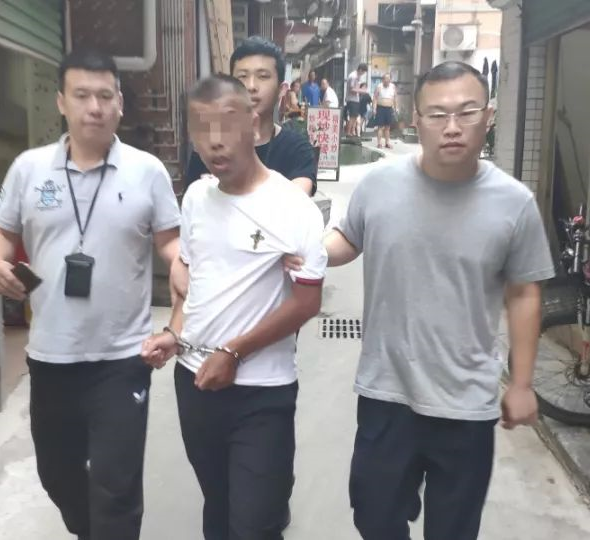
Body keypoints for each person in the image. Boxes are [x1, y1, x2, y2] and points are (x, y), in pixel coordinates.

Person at [284, 61, 555, 540]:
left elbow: (523, 292)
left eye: (466, 112)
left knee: (453, 530)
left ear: (488, 116)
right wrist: (308, 253)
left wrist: (522, 383)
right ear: (415, 117)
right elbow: (348, 238)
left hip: (466, 401)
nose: (452, 127)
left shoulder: (514, 202)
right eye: (437, 114)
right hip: (387, 391)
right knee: (373, 515)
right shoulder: (379, 185)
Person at [0, 49, 181, 540]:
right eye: (82, 95)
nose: (95, 107)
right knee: (57, 474)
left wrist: (184, 271)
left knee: (116, 487)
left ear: (120, 104)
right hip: (51, 357)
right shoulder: (29, 169)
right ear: (61, 102)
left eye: (105, 96)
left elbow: (170, 243)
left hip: (122, 358)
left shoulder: (147, 171)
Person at [141, 74, 328, 540]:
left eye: (226, 124)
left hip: (262, 391)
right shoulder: (197, 198)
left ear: (252, 121)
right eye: (201, 128)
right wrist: (174, 333)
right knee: (219, 505)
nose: (215, 141)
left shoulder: (293, 207)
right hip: (195, 383)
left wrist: (235, 351)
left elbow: (307, 302)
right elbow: (194, 282)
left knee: (255, 523)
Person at [184, 37, 317, 197]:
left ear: (281, 90)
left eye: (263, 76)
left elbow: (295, 203)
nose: (251, 86)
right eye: (242, 76)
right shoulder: (210, 148)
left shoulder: (296, 149)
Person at [372, 73, 397, 149]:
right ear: (383, 80)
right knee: (380, 127)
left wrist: (395, 108)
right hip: (381, 108)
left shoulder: (393, 86)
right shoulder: (379, 87)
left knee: (388, 127)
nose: (387, 80)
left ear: (390, 80)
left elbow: (395, 98)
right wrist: (374, 108)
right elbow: (375, 98)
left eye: (388, 79)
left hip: (389, 108)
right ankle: (379, 143)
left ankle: (387, 143)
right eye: (385, 79)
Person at [345, 64, 368, 137]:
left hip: (355, 99)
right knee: (352, 116)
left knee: (355, 116)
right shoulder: (353, 76)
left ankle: (352, 131)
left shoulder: (357, 76)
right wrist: (362, 91)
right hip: (352, 99)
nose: (363, 74)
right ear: (360, 70)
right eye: (363, 72)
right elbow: (351, 89)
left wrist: (360, 90)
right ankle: (348, 132)